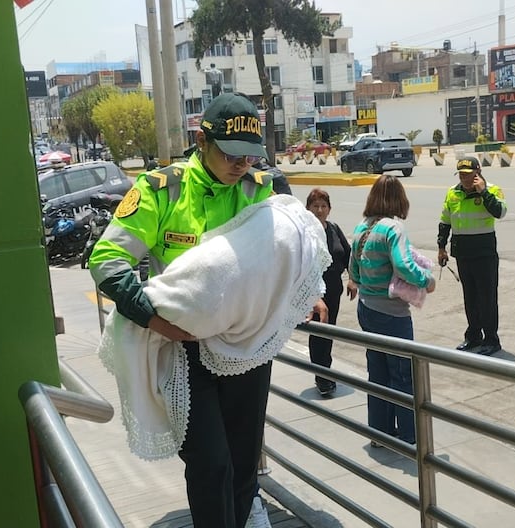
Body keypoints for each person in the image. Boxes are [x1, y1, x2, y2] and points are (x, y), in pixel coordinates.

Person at [89, 92, 327, 528]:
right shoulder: (164, 190)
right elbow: (106, 260)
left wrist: (307, 291)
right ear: (202, 140)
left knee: (240, 463)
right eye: (231, 154)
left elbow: (288, 250)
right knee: (210, 463)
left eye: (250, 156)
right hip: (186, 349)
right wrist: (154, 317)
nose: (242, 166)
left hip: (247, 346)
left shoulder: (261, 188)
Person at [347, 175, 435, 445]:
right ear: (399, 199)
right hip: (392, 314)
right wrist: (426, 280)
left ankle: (380, 433)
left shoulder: (362, 228)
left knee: (378, 373)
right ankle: (409, 436)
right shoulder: (392, 229)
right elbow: (404, 265)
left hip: (367, 309)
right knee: (403, 375)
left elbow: (353, 272)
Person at [437, 157, 507, 356]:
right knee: (470, 298)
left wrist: (483, 192)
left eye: (468, 175)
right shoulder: (453, 192)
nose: (465, 179)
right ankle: (474, 335)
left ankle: (491, 339)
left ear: (478, 172)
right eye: (461, 175)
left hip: (484, 254)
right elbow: (445, 221)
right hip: (463, 254)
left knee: (487, 299)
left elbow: (500, 212)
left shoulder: (492, 190)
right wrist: (441, 247)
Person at [306, 188, 351, 397]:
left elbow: (348, 255)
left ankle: (326, 371)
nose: (320, 210)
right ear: (308, 208)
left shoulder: (333, 228)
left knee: (329, 332)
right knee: (319, 335)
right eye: (315, 206)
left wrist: (353, 279)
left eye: (324, 206)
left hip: (334, 290)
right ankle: (322, 377)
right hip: (315, 293)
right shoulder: (304, 231)